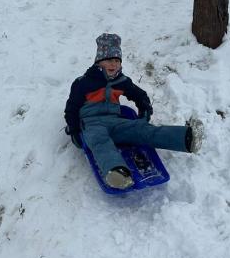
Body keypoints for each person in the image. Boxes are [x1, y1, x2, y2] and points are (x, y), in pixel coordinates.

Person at [64, 33, 204, 190]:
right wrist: (74, 131)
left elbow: (140, 95)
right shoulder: (83, 82)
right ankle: (117, 173)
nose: (114, 64)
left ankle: (186, 138)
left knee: (142, 129)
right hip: (92, 124)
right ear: (99, 62)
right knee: (100, 143)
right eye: (109, 60)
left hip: (116, 122)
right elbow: (71, 109)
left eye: (117, 61)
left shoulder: (121, 81)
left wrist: (145, 111)